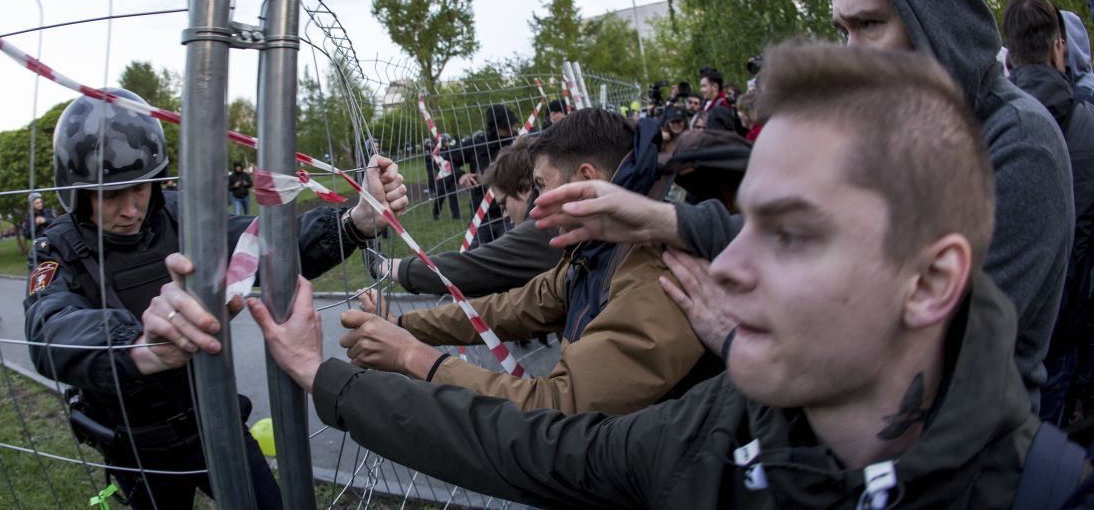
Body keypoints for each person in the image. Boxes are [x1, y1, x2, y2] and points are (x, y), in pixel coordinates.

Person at [188, 41, 1074, 508]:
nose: (731, 263)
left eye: (793, 234)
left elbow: (551, 413)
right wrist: (328, 373)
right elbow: (528, 430)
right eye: (743, 222)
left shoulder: (1049, 496)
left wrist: (406, 358)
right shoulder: (716, 445)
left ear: (928, 282)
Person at [532, 0, 1074, 407]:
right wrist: (652, 217)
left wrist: (740, 340)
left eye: (869, 26)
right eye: (843, 31)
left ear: (933, 20)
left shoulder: (1018, 142)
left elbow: (935, 357)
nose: (852, 54)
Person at [24, 88, 408, 510]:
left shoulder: (180, 213)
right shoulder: (56, 248)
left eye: (140, 188)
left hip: (215, 417)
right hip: (138, 447)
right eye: (111, 194)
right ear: (78, 193)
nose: (131, 208)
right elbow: (49, 326)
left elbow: (264, 245)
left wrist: (354, 222)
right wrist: (137, 345)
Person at [334, 108, 716, 415]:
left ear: (587, 178)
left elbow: (558, 407)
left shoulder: (653, 268)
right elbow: (512, 309)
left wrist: (409, 354)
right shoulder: (600, 246)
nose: (535, 203)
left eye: (543, 186)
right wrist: (401, 323)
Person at [1003, 0, 1094, 426]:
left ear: (1008, 58)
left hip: (1001, 337)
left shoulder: (977, 132)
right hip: (1068, 326)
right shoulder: (1090, 125)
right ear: (1060, 49)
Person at [373, 136, 562, 297]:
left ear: (524, 189)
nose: (505, 215)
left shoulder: (545, 228)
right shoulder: (560, 215)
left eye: (504, 204)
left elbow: (471, 269)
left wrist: (385, 267)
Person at [455, 104, 518, 246]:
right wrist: (461, 175)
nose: (510, 131)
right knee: (475, 255)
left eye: (511, 126)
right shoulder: (476, 143)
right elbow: (446, 160)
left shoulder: (516, 142)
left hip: (508, 212)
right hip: (481, 214)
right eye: (505, 127)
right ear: (495, 127)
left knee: (510, 253)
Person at [431, 134, 460, 221]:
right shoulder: (438, 153)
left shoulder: (451, 150)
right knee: (440, 197)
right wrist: (440, 141)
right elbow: (434, 154)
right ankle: (435, 213)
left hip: (452, 176)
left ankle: (456, 215)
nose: (449, 143)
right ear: (443, 142)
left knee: (453, 196)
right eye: (447, 141)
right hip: (442, 178)